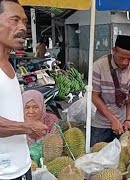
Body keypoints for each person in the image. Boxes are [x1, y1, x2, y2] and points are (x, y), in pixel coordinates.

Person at [0, 0, 48, 179]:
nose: (22, 28)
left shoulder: (10, 66)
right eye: (14, 20)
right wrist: (26, 126)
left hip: (21, 165)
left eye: (25, 22)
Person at [91, 35, 130, 146]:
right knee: (97, 156)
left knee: (120, 158)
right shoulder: (99, 66)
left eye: (129, 59)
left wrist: (128, 119)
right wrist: (112, 119)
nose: (125, 62)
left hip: (123, 122)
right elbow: (94, 96)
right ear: (114, 51)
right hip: (101, 124)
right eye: (121, 58)